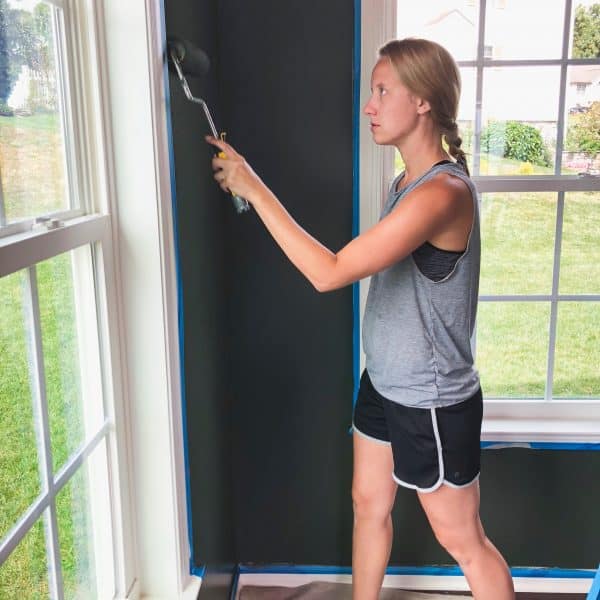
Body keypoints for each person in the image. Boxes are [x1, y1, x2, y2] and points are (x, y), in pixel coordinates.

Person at [206, 37, 514, 600]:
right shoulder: (403, 184)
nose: (368, 105)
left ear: (422, 101)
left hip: (431, 397)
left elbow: (329, 272)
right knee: (368, 504)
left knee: (463, 539)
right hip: (384, 382)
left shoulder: (441, 192)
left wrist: (253, 185)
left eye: (381, 91)